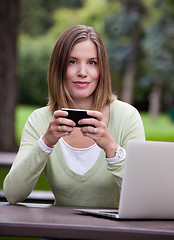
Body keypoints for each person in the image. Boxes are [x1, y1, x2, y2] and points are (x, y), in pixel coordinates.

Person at [3, 25, 145, 208]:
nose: (83, 72)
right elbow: (13, 194)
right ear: (59, 67)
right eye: (72, 61)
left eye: (92, 62)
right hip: (61, 232)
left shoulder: (127, 117)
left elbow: (142, 195)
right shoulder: (40, 120)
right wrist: (46, 142)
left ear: (102, 69)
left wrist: (111, 148)